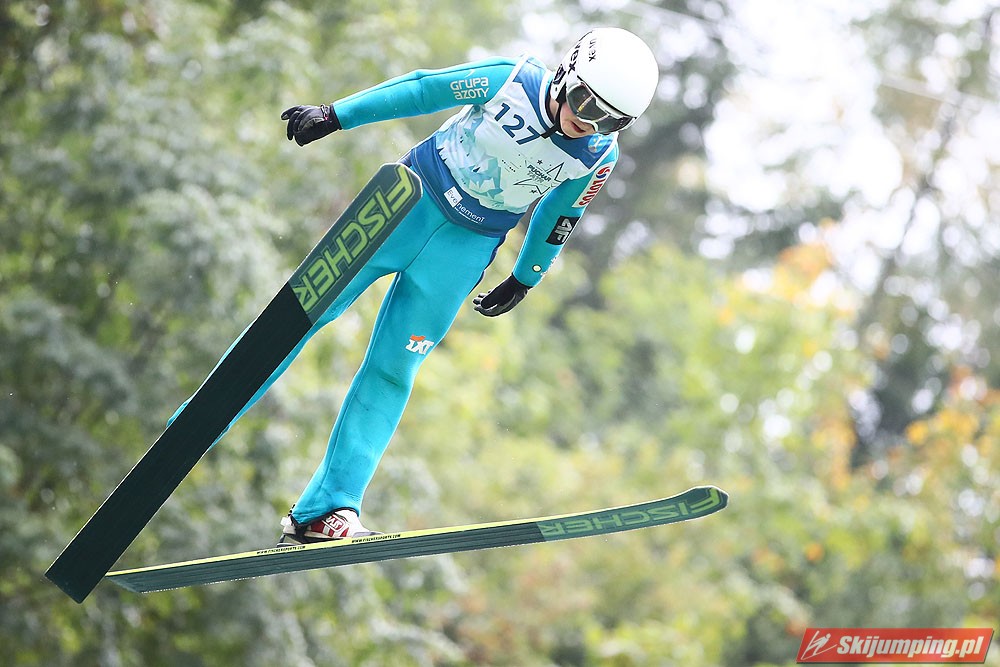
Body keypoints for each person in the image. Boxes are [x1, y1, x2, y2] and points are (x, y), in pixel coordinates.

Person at [179, 27, 659, 544]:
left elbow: (560, 215)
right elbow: (422, 88)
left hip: (465, 249)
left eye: (610, 119)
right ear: (567, 73)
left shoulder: (597, 154)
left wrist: (526, 276)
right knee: (302, 313)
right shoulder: (510, 80)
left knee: (394, 369)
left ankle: (327, 508)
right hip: (406, 203)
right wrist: (336, 115)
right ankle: (198, 422)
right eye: (586, 102)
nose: (589, 122)